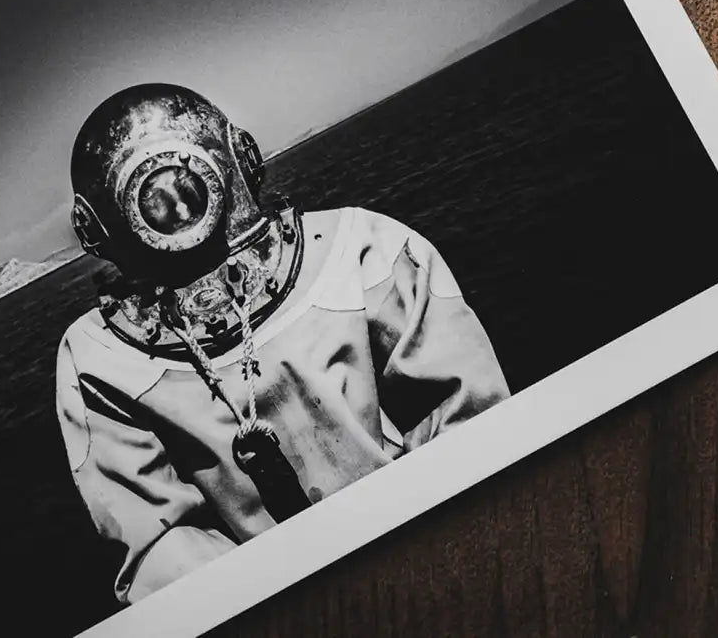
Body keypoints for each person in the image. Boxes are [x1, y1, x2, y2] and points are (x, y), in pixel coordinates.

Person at [54, 84, 509, 605]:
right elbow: (473, 423)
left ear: (92, 231)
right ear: (242, 155)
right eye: (157, 201)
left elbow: (160, 549)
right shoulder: (365, 247)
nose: (176, 207)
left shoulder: (99, 358)